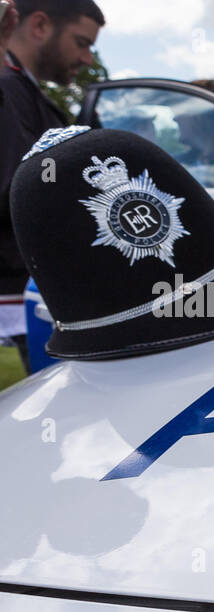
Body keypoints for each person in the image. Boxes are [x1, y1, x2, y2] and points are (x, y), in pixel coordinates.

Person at [0, 0, 103, 374]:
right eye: (81, 42)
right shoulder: (8, 89)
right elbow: (20, 189)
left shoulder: (25, 93)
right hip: (28, 296)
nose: (88, 58)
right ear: (40, 26)